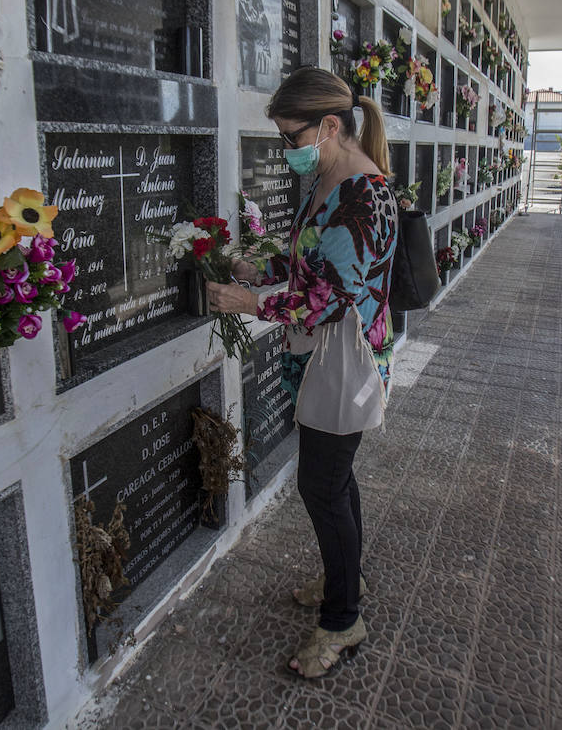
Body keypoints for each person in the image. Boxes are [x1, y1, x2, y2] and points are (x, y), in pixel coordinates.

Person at [207, 66, 398, 680]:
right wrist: (251, 270)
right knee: (334, 482)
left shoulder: (365, 196)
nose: (286, 151)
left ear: (331, 126)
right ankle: (349, 574)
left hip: (347, 361)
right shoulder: (326, 179)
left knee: (321, 486)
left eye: (292, 137)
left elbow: (334, 297)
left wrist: (248, 304)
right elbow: (307, 271)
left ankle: (344, 620)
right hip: (321, 355)